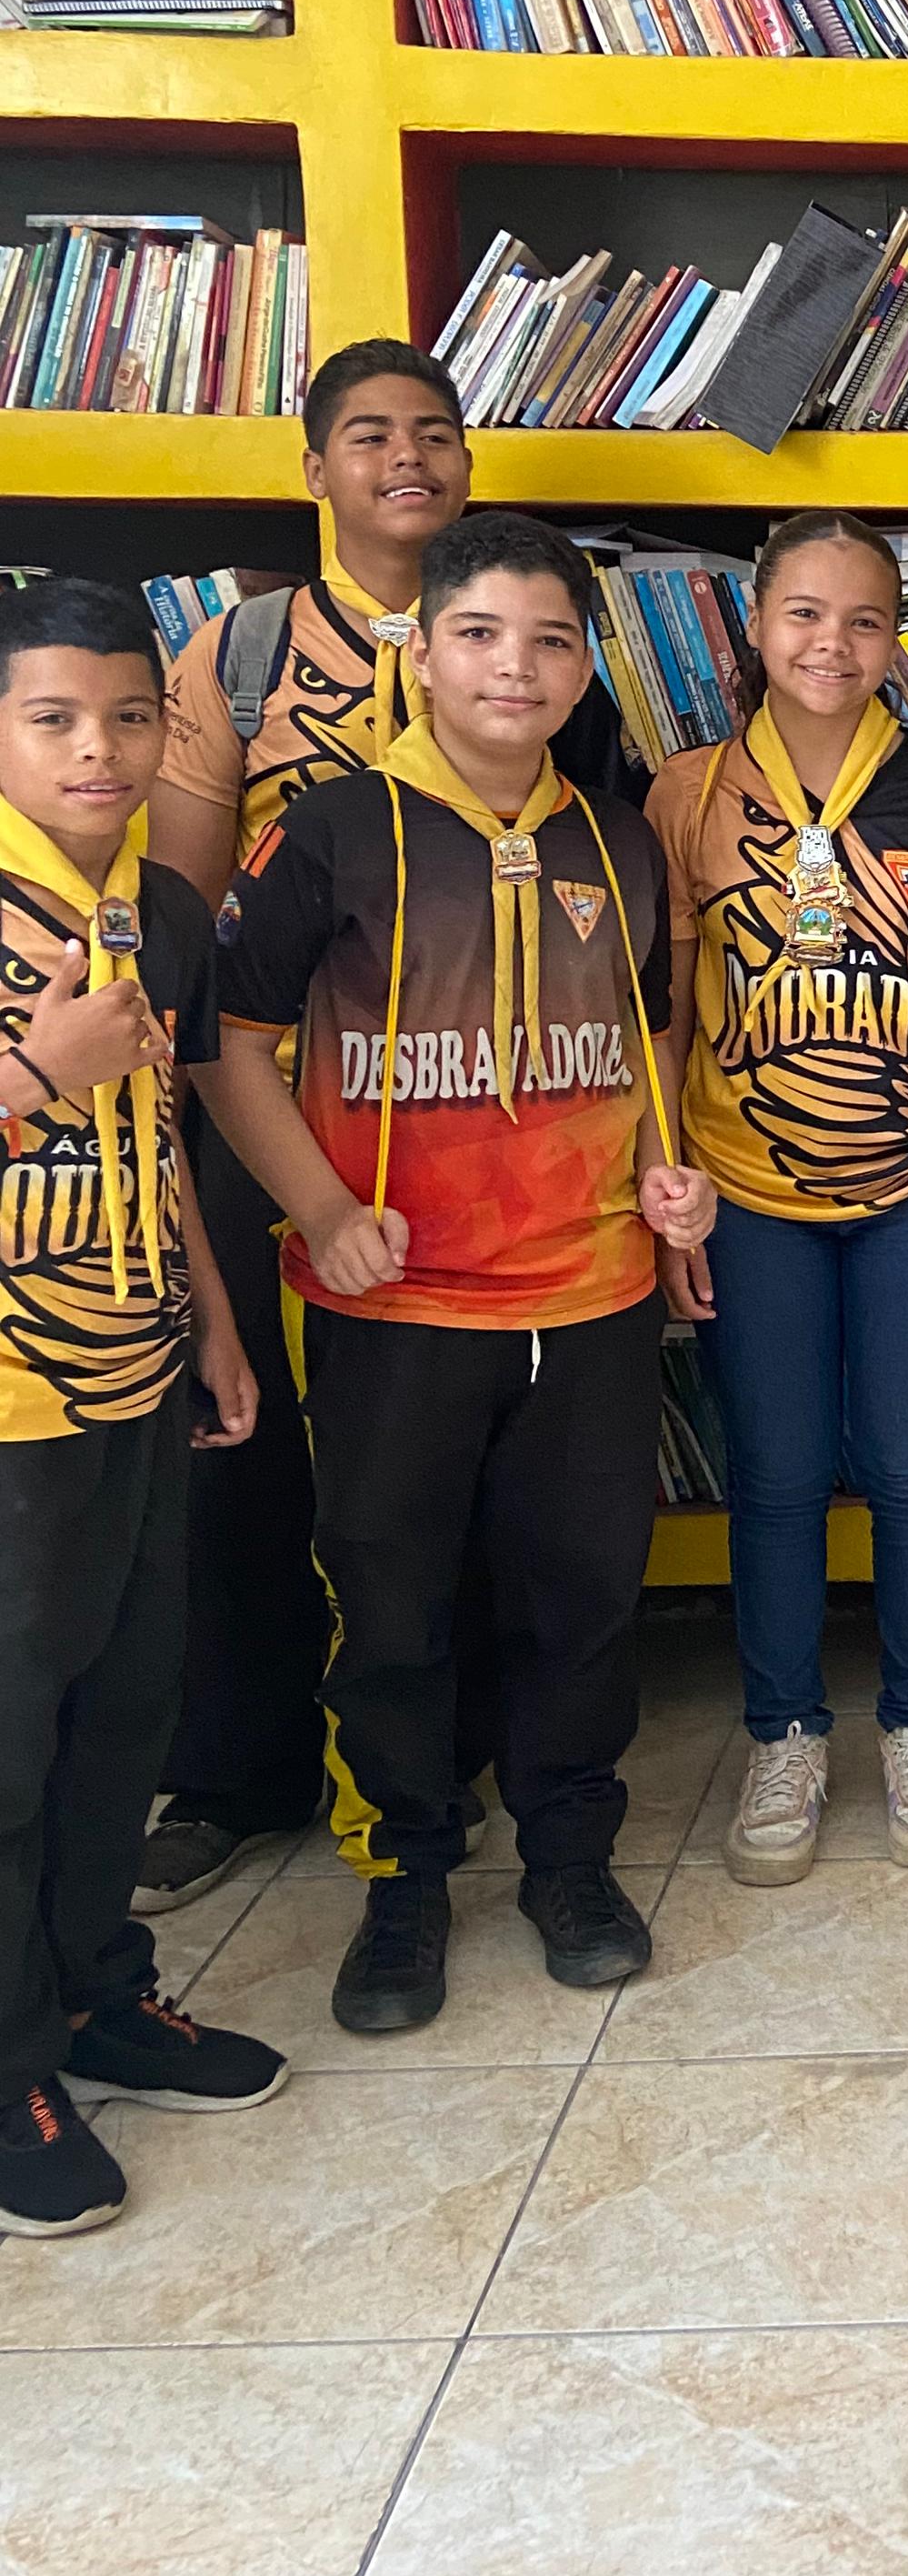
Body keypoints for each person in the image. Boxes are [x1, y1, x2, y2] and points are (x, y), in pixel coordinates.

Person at [197, 514, 713, 2035]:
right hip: (394, 1304)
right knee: (391, 1597)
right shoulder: (336, 828)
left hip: (592, 1293)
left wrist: (671, 1179)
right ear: (423, 653)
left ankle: (572, 1858)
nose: (515, 667)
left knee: (582, 1597)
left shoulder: (617, 837)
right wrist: (317, 1206)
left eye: (551, 640)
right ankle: (403, 1876)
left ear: (585, 669)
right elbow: (224, 1040)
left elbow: (648, 1032)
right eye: (480, 633)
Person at [136, 337, 631, 1914]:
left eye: (434, 431)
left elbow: (615, 920)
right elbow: (189, 911)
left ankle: (472, 1776)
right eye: (368, 433)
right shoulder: (246, 647)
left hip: (512, 1146)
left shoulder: (556, 672)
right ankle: (249, 1770)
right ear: (315, 468)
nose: (406, 456)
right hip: (289, 1105)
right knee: (267, 1451)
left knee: (477, 1494)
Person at [648, 514, 908, 1884]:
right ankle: (786, 1733)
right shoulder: (687, 794)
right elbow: (664, 1015)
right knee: (776, 1471)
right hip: (744, 1194)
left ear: (898, 637)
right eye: (805, 614)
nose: (834, 643)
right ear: (757, 627)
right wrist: (668, 1191)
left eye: (866, 619)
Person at [0, 580, 280, 2238]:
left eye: (128, 717)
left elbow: (164, 1132)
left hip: (138, 1361)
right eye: (53, 718)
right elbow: (80, 1092)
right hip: (11, 1403)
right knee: (9, 1738)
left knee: (126, 1706)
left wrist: (217, 1326)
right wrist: (40, 1071)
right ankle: (7, 2068)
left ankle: (102, 1989)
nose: (95, 750)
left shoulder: (162, 910)